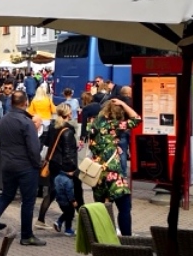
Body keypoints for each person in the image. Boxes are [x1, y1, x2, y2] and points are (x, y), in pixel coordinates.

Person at [0, 90, 45, 246]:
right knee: (28, 201)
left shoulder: (3, 121)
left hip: (8, 164)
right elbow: (33, 148)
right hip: (26, 166)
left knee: (6, 195)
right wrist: (37, 164)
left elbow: (0, 143)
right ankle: (27, 235)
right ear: (25, 103)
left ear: (11, 103)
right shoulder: (26, 122)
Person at [87, 98, 140, 236]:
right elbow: (136, 119)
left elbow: (97, 143)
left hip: (98, 174)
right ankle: (127, 238)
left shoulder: (93, 123)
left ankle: (104, 236)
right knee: (124, 207)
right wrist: (123, 104)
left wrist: (113, 146)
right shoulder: (113, 125)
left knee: (102, 208)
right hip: (113, 173)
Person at [37, 103, 80, 234]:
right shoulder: (68, 130)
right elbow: (68, 153)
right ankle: (67, 226)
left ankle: (41, 219)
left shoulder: (53, 126)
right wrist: (72, 168)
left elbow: (48, 143)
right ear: (68, 114)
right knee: (69, 194)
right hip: (63, 166)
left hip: (53, 163)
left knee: (52, 192)